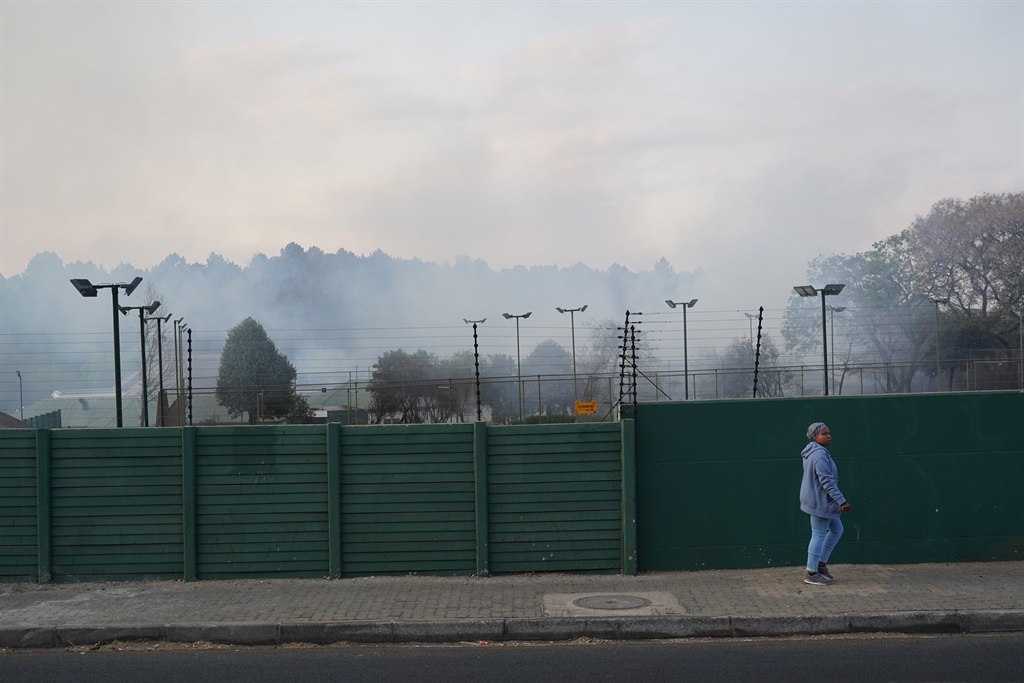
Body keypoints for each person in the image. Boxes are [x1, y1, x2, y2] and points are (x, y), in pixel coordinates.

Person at [799, 422, 851, 586]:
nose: (828, 436)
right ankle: (812, 572)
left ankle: (820, 564)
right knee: (818, 534)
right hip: (820, 502)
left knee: (837, 529)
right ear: (815, 437)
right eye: (824, 433)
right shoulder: (819, 455)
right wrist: (842, 500)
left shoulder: (814, 452)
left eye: (829, 433)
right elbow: (827, 482)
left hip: (819, 500)